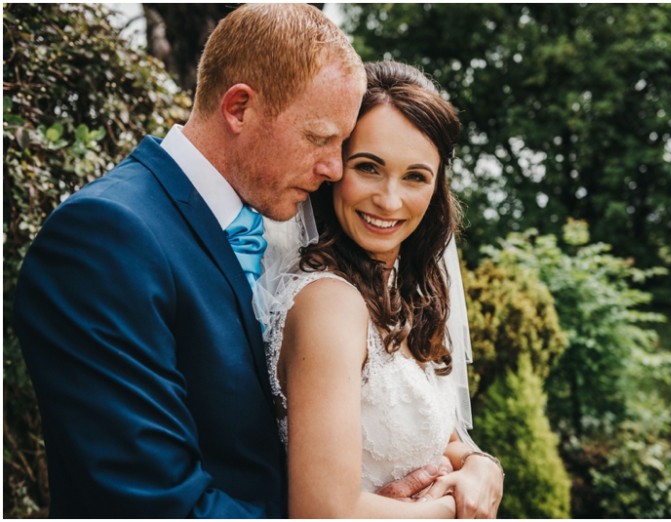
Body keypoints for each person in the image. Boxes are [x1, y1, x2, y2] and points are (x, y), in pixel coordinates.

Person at [13, 4, 366, 517]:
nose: (334, 168)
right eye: (319, 137)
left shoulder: (282, 226)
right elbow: (152, 502)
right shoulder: (103, 237)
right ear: (239, 108)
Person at [261, 60, 504, 518]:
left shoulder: (397, 294)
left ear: (436, 188)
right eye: (369, 168)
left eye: (415, 176)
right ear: (335, 167)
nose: (390, 201)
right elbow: (323, 513)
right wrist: (452, 508)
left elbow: (438, 434)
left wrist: (480, 466)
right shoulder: (329, 304)